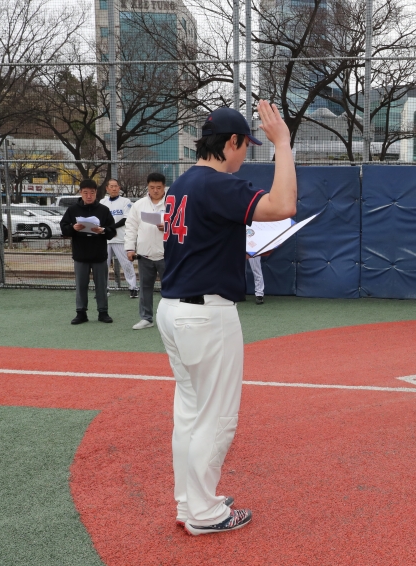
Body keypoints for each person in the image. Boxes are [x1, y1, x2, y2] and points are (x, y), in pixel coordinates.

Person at [157, 101, 296, 535]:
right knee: (215, 418)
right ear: (231, 142)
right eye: (244, 146)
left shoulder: (182, 183)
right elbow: (284, 203)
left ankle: (190, 502)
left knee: (190, 414)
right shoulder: (216, 183)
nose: (243, 155)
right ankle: (204, 513)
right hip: (205, 315)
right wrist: (284, 143)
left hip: (175, 308)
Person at [59, 179, 117, 324]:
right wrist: (73, 228)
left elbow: (112, 231)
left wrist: (102, 230)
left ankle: (103, 312)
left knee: (101, 285)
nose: (89, 196)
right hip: (80, 254)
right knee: (81, 285)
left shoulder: (103, 210)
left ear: (96, 193)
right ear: (81, 193)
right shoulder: (72, 210)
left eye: (92, 192)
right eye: (85, 193)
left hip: (99, 255)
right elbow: (64, 227)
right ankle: (81, 313)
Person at [125, 172, 167, 329]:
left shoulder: (172, 203)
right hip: (145, 254)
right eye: (152, 187)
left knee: (169, 288)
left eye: (158, 187)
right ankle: (146, 318)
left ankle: (170, 318)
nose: (155, 190)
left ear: (164, 187)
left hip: (166, 253)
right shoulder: (139, 205)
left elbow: (182, 224)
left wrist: (167, 227)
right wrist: (130, 248)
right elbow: (131, 227)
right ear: (147, 187)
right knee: (145, 288)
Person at [100, 178, 139, 298]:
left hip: (121, 238)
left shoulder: (125, 201)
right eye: (111, 186)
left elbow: (126, 219)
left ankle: (133, 288)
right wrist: (106, 230)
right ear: (107, 188)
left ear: (119, 188)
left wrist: (111, 227)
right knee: (103, 265)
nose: (114, 188)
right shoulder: (102, 202)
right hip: (105, 239)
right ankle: (103, 289)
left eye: (116, 186)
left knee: (127, 264)